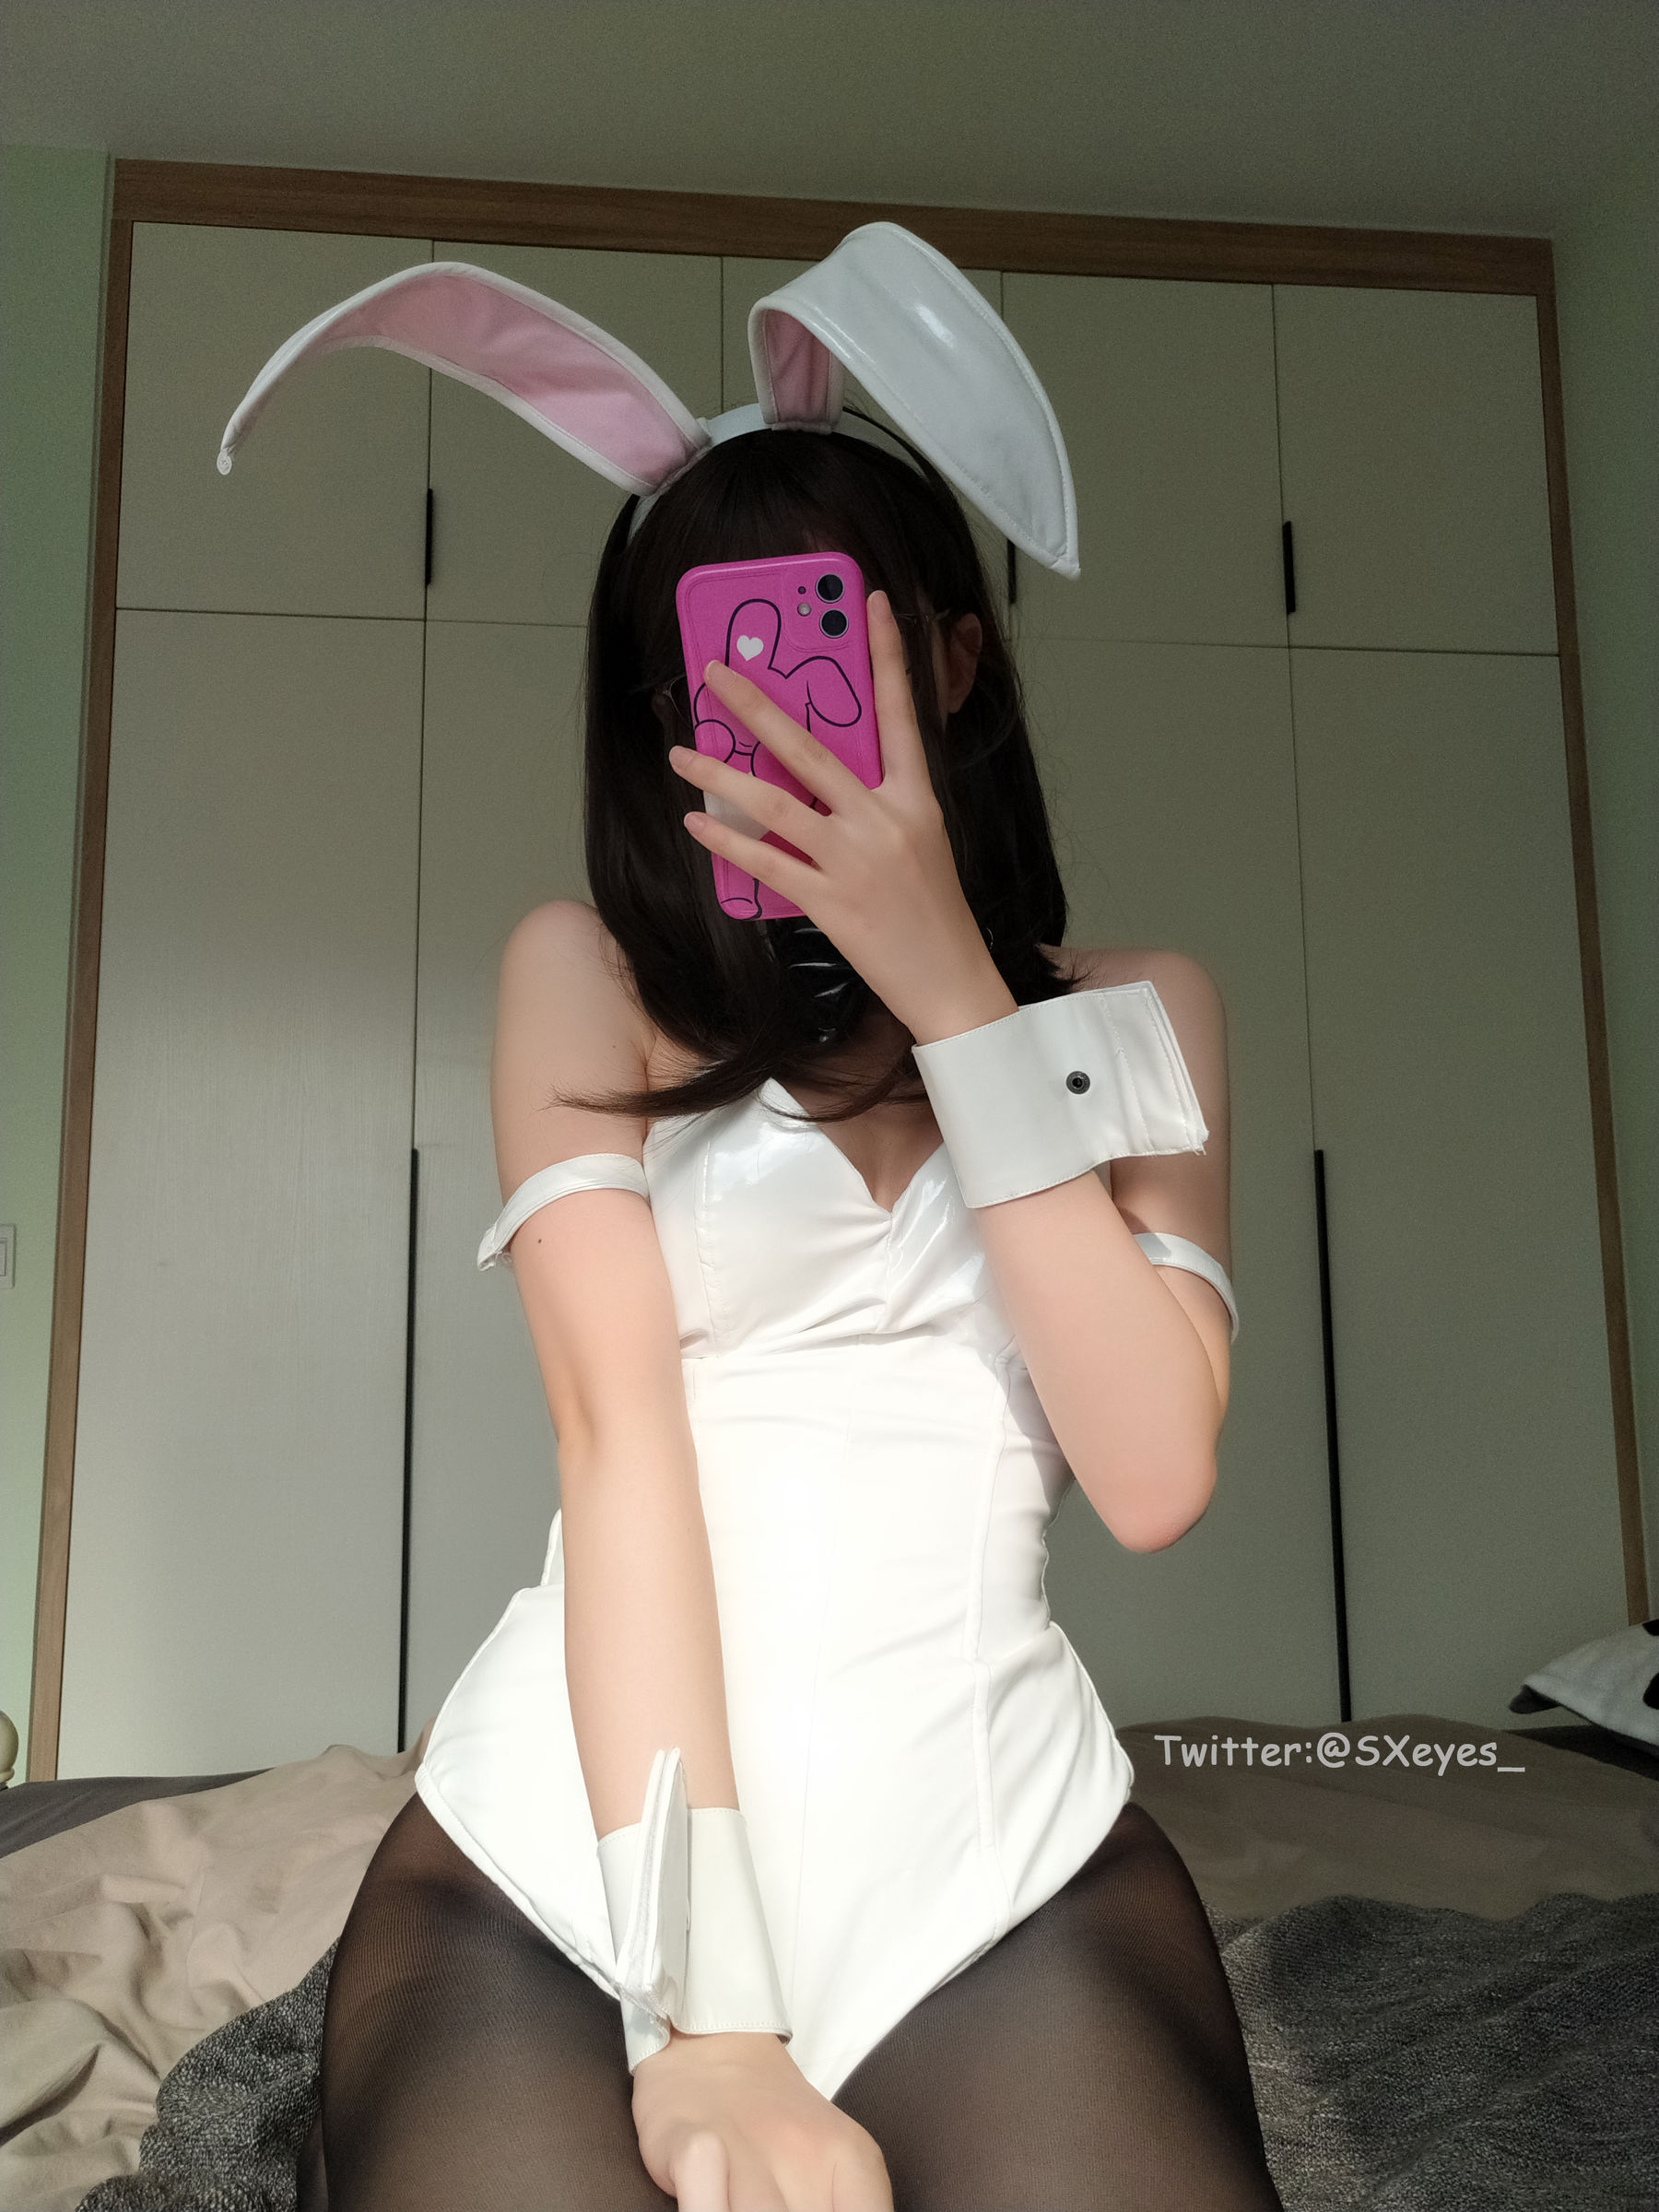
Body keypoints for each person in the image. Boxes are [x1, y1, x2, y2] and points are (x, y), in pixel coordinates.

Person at [224, 231, 1282, 2210]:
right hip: (579, 1841)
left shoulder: (1144, 1013)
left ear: (953, 656)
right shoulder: (588, 979)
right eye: (705, 666)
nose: (765, 711)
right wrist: (710, 2019)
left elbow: (1151, 1471)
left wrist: (953, 986)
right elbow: (615, 1442)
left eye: (822, 637)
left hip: (988, 1850)